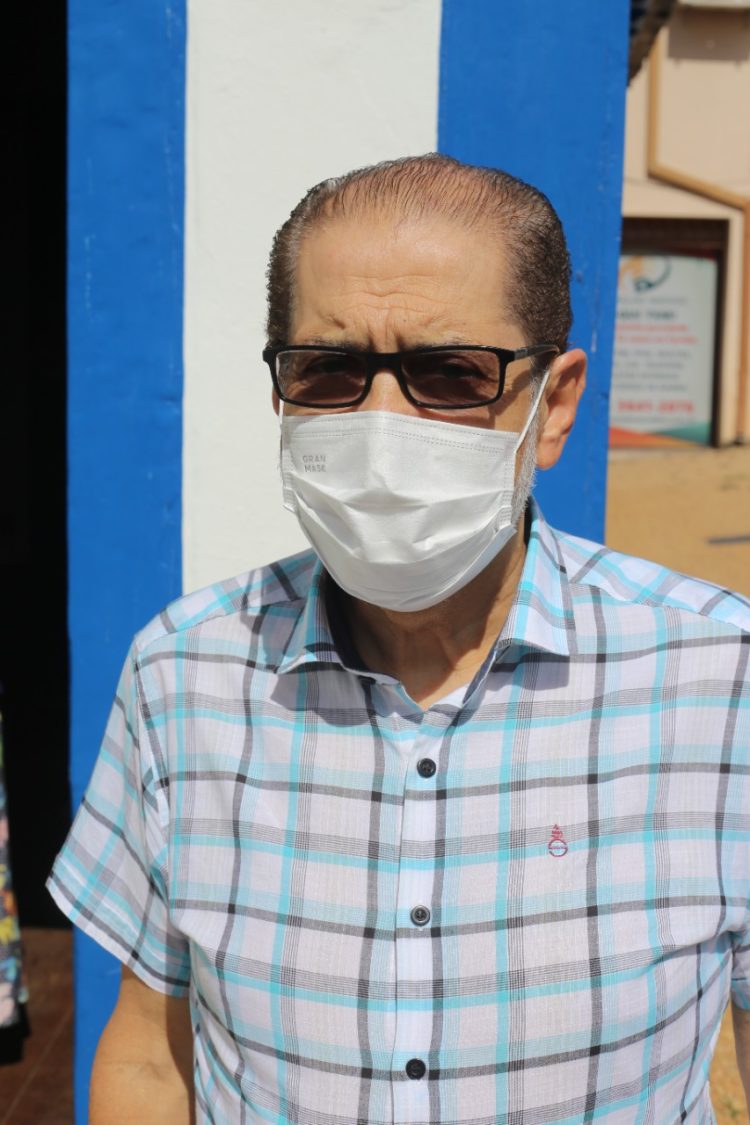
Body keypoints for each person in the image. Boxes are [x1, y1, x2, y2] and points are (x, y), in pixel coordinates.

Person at [49, 154, 750, 1124]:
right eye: (329, 368)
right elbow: (151, 1056)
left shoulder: (721, 681)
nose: (383, 428)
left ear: (553, 405)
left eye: (450, 372)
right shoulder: (182, 675)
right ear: (281, 391)